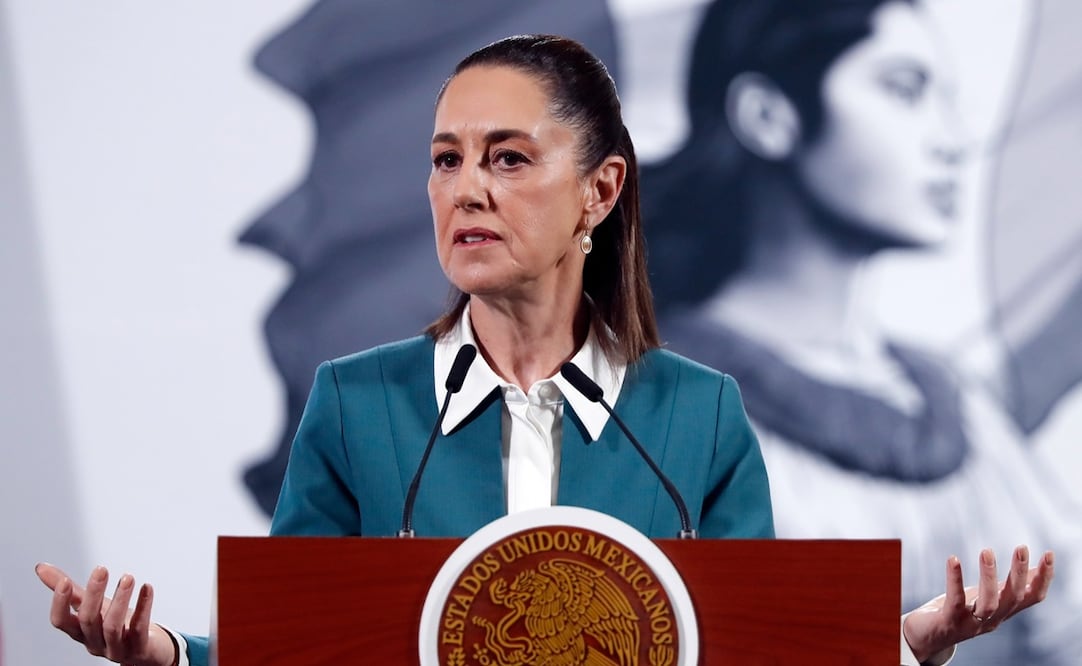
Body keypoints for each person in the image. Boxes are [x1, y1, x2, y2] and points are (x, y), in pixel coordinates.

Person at [36, 34, 1053, 666]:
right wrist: (166, 653)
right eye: (446, 161)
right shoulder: (355, 403)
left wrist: (908, 645)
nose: (466, 190)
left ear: (599, 193)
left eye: (508, 158)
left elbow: (761, 649)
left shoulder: (701, 411)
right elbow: (298, 647)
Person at [643, 1, 1081, 664]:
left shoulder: (954, 403)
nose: (952, 140)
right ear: (768, 116)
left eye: (948, 99)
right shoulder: (662, 412)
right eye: (904, 90)